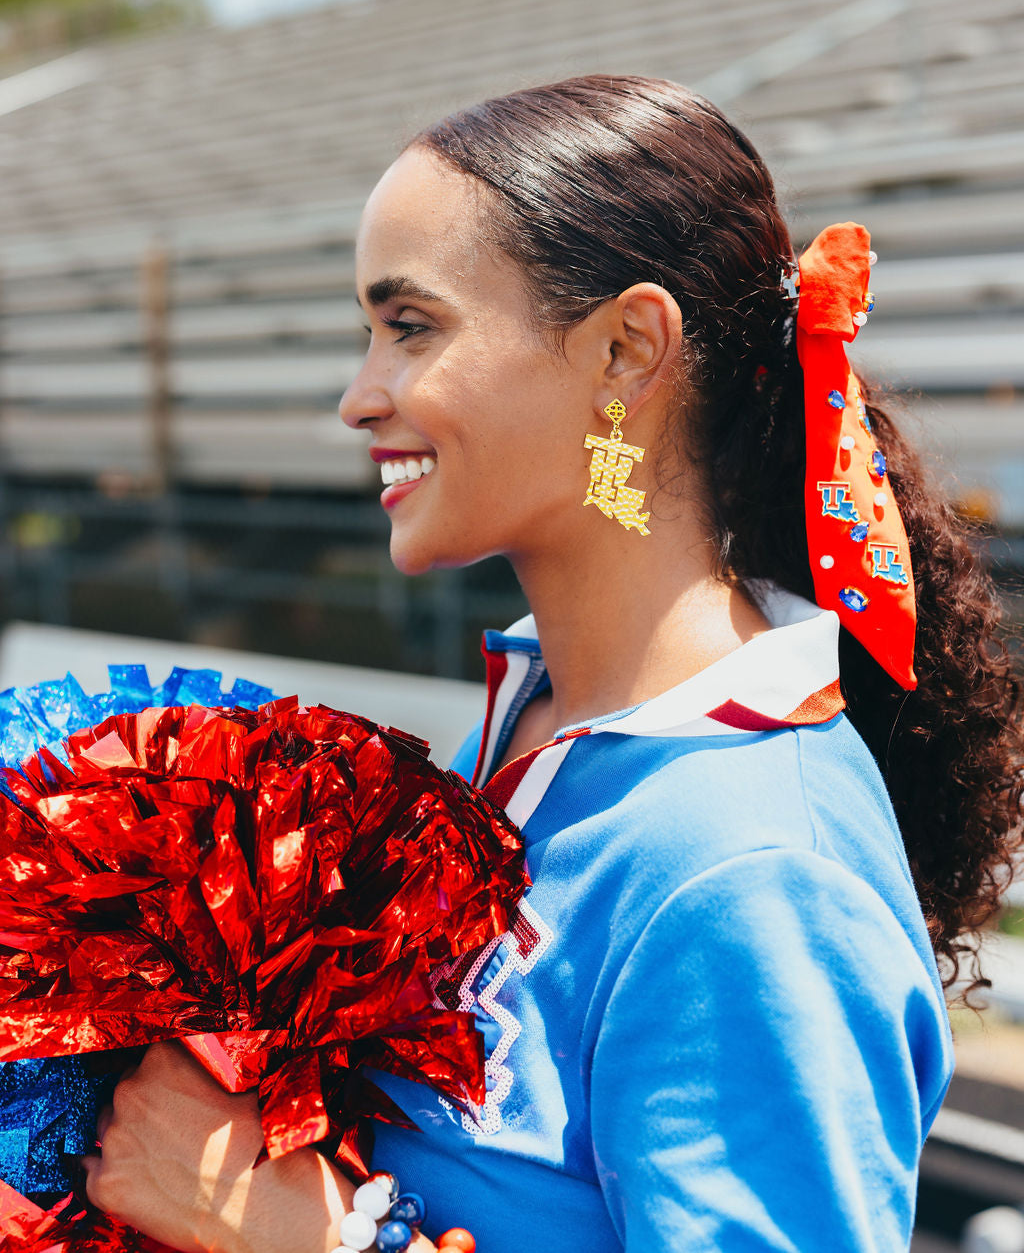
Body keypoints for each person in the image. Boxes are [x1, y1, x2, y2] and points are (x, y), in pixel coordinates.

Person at [84, 75, 1023, 1253]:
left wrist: (305, 1236)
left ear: (624, 348)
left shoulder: (753, 867)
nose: (357, 395)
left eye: (409, 325)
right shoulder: (544, 711)